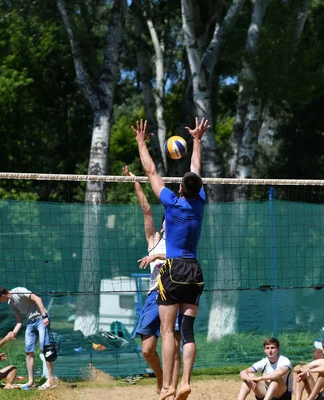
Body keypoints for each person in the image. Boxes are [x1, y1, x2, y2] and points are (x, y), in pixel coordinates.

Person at [133, 117, 210, 400]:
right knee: (187, 331)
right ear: (197, 189)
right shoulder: (199, 203)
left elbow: (151, 169)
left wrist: (142, 142)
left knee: (167, 332)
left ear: (179, 189)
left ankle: (167, 385)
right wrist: (197, 140)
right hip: (195, 270)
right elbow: (195, 169)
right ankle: (185, 381)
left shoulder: (172, 202)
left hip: (173, 269)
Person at [124, 165, 181, 395]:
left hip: (175, 293)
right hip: (154, 295)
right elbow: (147, 210)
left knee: (174, 343)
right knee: (147, 349)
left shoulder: (181, 242)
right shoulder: (155, 238)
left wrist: (157, 256)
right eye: (167, 219)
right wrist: (135, 181)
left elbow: (182, 257)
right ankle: (160, 376)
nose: (169, 222)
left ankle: (173, 388)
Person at [0, 286, 56, 390]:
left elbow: (37, 299)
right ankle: (31, 382)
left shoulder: (19, 291)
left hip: (41, 318)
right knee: (28, 352)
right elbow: (19, 320)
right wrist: (14, 332)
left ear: (2, 295)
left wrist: (44, 316)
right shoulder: (11, 303)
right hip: (31, 322)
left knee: (45, 349)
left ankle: (51, 379)